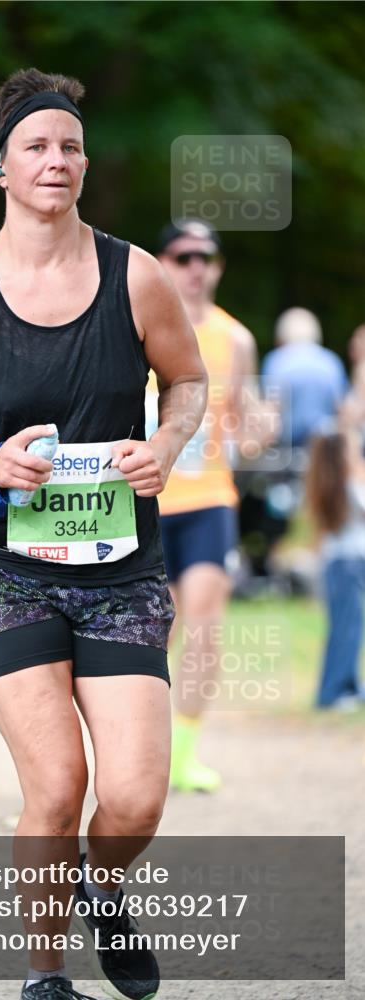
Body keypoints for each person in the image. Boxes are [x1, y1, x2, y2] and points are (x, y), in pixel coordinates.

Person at [0, 69, 207, 1000]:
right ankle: (46, 976)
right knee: (59, 783)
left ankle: (102, 888)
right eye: (35, 145)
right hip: (1, 572)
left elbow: (187, 381)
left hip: (118, 568)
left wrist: (165, 445)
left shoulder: (136, 277)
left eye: (70, 145)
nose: (56, 160)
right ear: (1, 166)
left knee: (135, 798)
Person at [149, 218, 275, 792]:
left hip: (209, 502)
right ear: (162, 264)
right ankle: (142, 751)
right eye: (183, 257)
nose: (196, 268)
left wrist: (261, 430)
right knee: (156, 632)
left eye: (206, 257)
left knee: (204, 626)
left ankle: (184, 754)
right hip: (146, 504)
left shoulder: (235, 339)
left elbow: (246, 428)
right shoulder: (140, 327)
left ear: (219, 267)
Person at [305, 429, 365, 710]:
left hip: (339, 565)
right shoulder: (350, 487)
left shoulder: (332, 488)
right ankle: (335, 691)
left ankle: (345, 685)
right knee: (347, 629)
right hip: (348, 566)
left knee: (346, 628)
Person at [261, 307, 349, 451]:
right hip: (323, 449)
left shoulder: (277, 360)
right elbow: (341, 409)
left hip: (287, 451)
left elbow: (271, 411)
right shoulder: (331, 362)